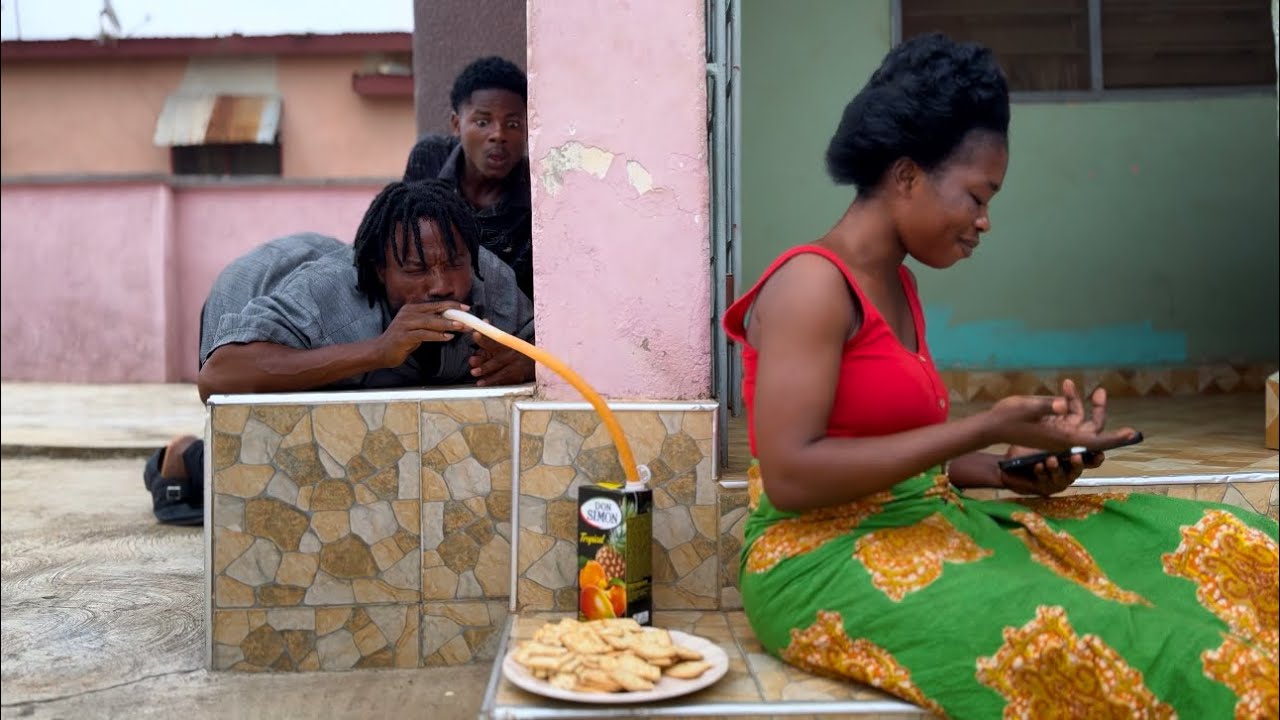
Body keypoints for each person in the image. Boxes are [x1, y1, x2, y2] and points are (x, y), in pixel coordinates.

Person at [724, 33, 1278, 719]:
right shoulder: (811, 285)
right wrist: (978, 427)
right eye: (977, 196)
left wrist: (1009, 468)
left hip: (927, 519)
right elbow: (792, 474)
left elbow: (898, 461)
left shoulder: (897, 284)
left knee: (1221, 542)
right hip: (818, 559)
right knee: (1136, 641)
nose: (985, 221)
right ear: (906, 176)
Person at [144, 179, 535, 525]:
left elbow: (545, 345)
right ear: (381, 271)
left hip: (319, 273)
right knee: (276, 458)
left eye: (454, 265)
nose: (441, 285)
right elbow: (217, 377)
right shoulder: (329, 301)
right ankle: (185, 458)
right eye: (416, 271)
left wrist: (525, 360)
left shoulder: (487, 278)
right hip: (254, 289)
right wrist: (378, 351)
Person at [404, 56, 533, 300]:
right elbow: (401, 243)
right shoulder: (430, 159)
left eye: (513, 124)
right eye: (483, 121)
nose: (498, 135)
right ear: (456, 124)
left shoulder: (537, 192)